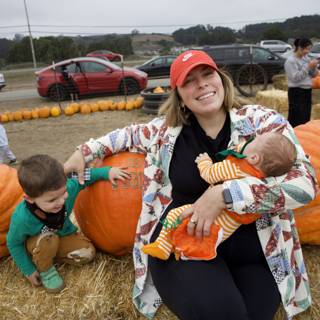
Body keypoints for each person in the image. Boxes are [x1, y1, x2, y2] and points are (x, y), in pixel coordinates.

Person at [64, 50, 317, 320]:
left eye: (207, 74)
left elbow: (305, 184)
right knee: (225, 314)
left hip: (255, 252)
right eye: (189, 80)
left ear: (221, 79)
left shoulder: (262, 122)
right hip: (184, 245)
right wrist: (83, 152)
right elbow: (124, 136)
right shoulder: (164, 133)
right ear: (179, 94)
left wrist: (224, 194)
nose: (202, 84)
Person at [142, 132, 297, 261]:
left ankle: (162, 246)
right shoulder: (263, 182)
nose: (248, 141)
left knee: (176, 215)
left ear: (254, 158)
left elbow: (209, 175)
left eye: (253, 140)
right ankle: (184, 252)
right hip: (229, 228)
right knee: (200, 237)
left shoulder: (234, 168)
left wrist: (204, 161)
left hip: (212, 217)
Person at [7, 154, 130, 293]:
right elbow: (13, 243)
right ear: (30, 199)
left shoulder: (69, 189)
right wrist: (28, 270)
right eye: (52, 200)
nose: (61, 201)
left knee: (88, 253)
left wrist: (107, 172)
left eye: (63, 193)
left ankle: (52, 255)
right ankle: (46, 269)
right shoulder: (22, 218)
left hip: (61, 236)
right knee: (48, 240)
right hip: (38, 242)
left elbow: (85, 176)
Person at [284, 38, 319, 127]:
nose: (307, 52)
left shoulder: (306, 58)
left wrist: (314, 67)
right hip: (296, 92)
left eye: (309, 49)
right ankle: (293, 136)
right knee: (296, 118)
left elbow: (314, 75)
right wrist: (308, 67)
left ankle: (303, 136)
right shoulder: (290, 61)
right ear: (300, 48)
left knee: (305, 117)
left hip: (307, 91)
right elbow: (295, 78)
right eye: (306, 49)